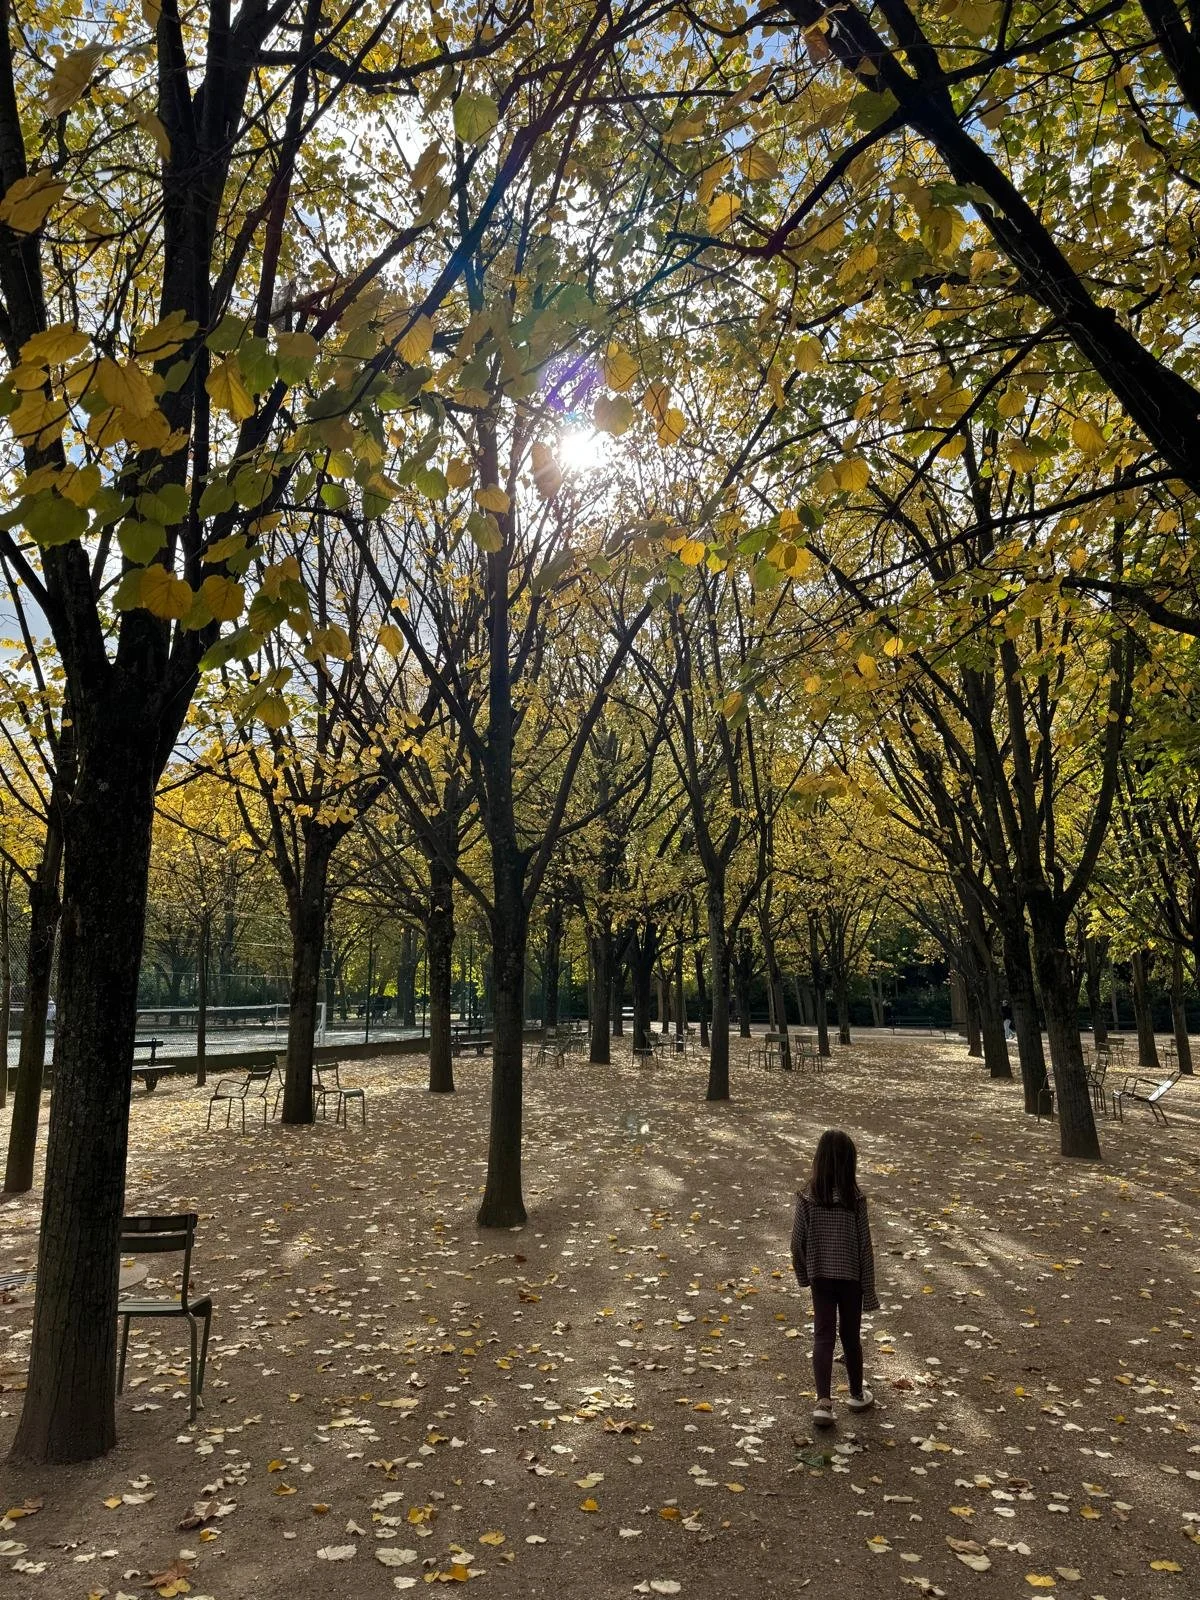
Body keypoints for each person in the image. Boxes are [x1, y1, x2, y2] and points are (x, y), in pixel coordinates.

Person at [790, 1128, 880, 1428]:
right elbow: (864, 1247)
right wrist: (869, 1291)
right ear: (849, 1164)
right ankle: (856, 1393)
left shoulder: (807, 1199)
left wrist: (805, 1275)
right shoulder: (856, 1200)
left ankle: (823, 1402)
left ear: (819, 1161)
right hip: (851, 1278)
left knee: (823, 1335)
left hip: (821, 1277)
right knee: (851, 1336)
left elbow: (796, 1242)